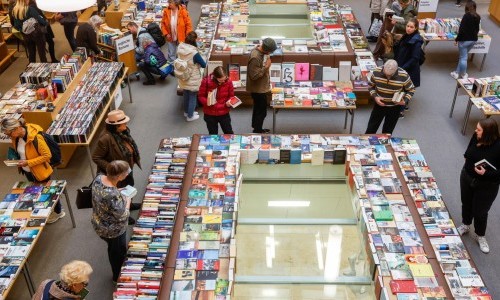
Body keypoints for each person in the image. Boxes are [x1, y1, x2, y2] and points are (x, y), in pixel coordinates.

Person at [1, 118, 65, 223]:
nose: (9, 136)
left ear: (16, 128)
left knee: (49, 191)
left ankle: (58, 212)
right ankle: (45, 210)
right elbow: (21, 152)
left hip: (40, 170)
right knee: (37, 191)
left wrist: (28, 162)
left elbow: (47, 156)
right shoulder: (16, 138)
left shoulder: (36, 137)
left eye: (9, 134)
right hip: (27, 170)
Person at [458, 118, 500, 254]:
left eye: (479, 129)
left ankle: (480, 235)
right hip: (467, 177)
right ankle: (465, 224)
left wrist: (486, 173)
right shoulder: (476, 137)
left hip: (487, 185)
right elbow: (468, 151)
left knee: (480, 211)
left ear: (488, 133)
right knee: (466, 203)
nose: (475, 131)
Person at [91, 160, 131, 282]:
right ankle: (117, 277)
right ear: (119, 176)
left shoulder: (98, 178)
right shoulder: (112, 195)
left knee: (113, 248)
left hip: (99, 222)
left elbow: (104, 196)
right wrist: (128, 200)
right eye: (126, 173)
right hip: (113, 231)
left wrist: (118, 191)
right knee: (117, 253)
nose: (128, 174)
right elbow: (123, 215)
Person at [364, 59, 415, 134]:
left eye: (390, 75)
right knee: (371, 129)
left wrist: (405, 100)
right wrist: (375, 96)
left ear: (396, 70)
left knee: (387, 132)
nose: (388, 77)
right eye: (386, 74)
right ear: (383, 67)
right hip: (379, 105)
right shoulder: (376, 72)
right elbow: (370, 86)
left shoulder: (404, 75)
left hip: (395, 107)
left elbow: (411, 89)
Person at [394, 17, 423, 117]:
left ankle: (400, 111)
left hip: (408, 69)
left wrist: (402, 68)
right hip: (403, 65)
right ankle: (404, 105)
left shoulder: (416, 41)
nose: (408, 29)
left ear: (415, 28)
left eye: (411, 27)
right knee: (404, 88)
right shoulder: (406, 36)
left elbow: (415, 58)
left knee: (404, 89)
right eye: (407, 26)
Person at [246, 38, 276, 133]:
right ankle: (257, 130)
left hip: (261, 87)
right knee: (261, 111)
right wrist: (266, 67)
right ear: (266, 49)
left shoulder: (262, 53)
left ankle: (256, 127)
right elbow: (254, 76)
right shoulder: (255, 57)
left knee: (258, 109)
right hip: (258, 89)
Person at [176, 31, 206, 122]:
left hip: (183, 74)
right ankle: (190, 115)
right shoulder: (194, 53)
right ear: (194, 41)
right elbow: (203, 64)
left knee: (186, 93)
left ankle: (186, 112)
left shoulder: (180, 48)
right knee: (192, 95)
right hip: (192, 76)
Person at [198, 66, 235, 135]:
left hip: (224, 112)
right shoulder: (206, 81)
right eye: (221, 80)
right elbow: (201, 96)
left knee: (229, 132)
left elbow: (231, 96)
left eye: (225, 79)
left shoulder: (229, 81)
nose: (223, 81)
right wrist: (207, 102)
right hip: (210, 113)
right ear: (215, 77)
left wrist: (229, 102)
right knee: (213, 135)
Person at [451, 1, 481, 80]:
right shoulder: (477, 16)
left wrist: (457, 39)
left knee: (463, 58)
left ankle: (463, 74)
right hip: (473, 40)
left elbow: (462, 30)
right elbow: (477, 29)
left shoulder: (466, 16)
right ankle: (456, 73)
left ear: (466, 8)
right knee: (463, 57)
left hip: (464, 41)